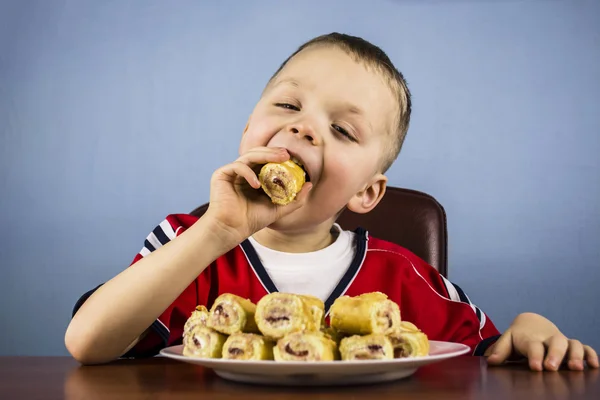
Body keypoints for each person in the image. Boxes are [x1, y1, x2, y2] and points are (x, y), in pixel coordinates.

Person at [65, 33, 598, 371]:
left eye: (342, 129)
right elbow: (88, 342)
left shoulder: (402, 278)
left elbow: (487, 348)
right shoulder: (186, 244)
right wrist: (216, 232)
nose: (305, 126)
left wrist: (531, 326)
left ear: (367, 191)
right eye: (288, 104)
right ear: (250, 130)